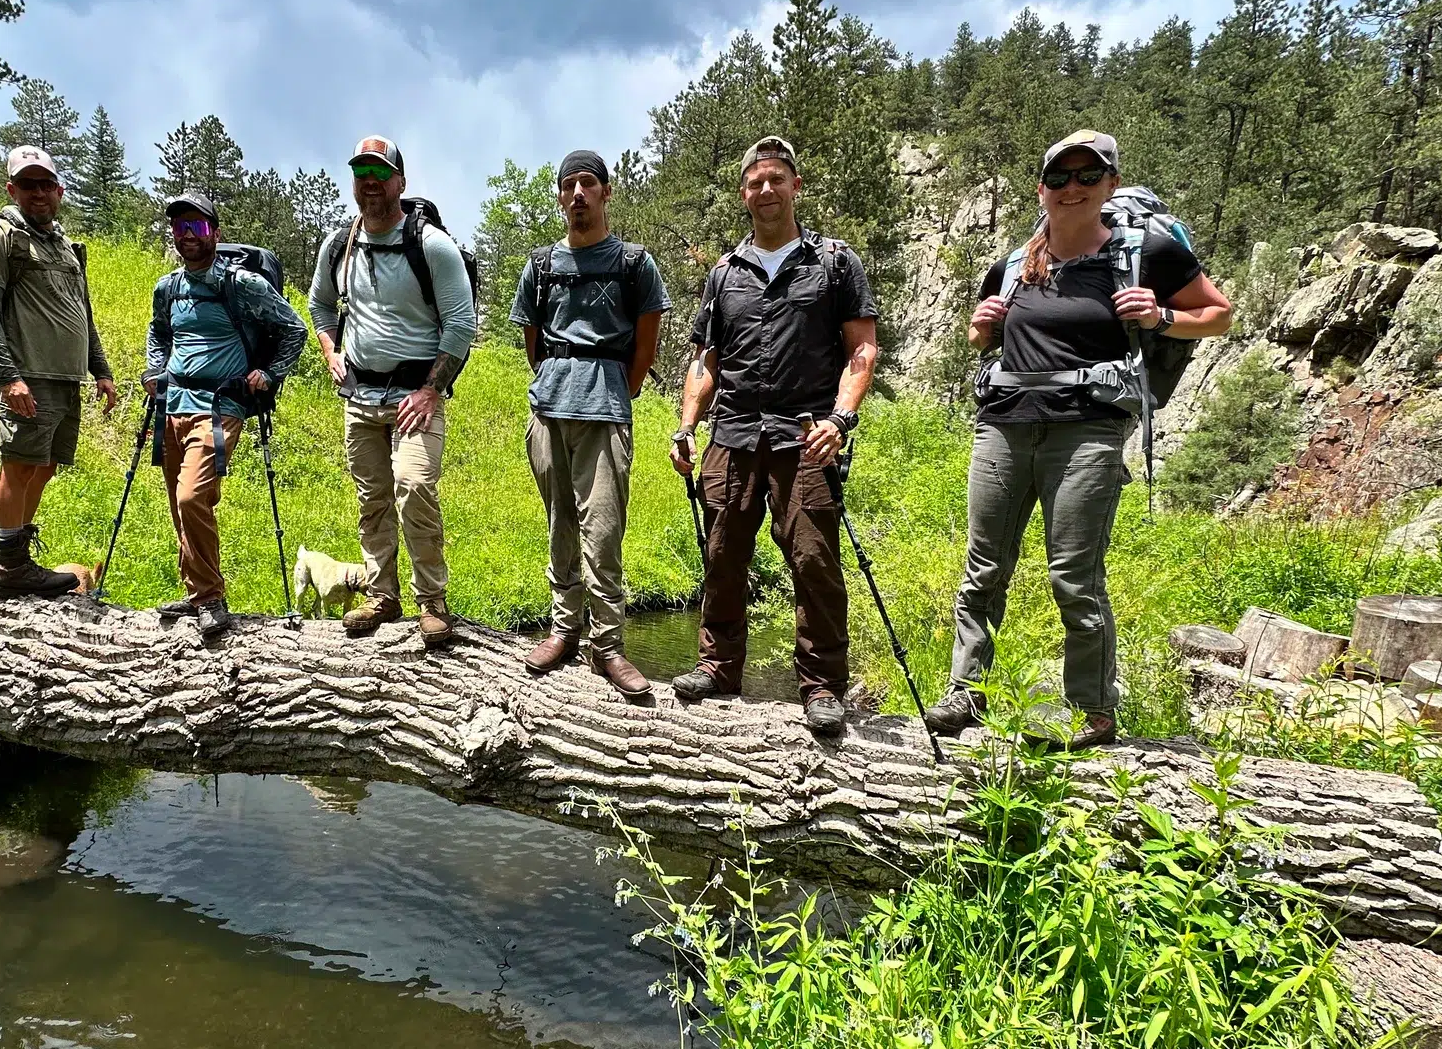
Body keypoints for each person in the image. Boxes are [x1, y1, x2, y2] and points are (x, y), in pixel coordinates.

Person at [925, 130, 1232, 747]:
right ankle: (966, 692)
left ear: (1110, 185)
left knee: (1074, 574)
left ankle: (1092, 710)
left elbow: (1218, 314)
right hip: (1004, 423)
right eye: (1060, 177)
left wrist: (1162, 317)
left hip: (1088, 431)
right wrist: (979, 328)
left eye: (1088, 176)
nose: (1073, 188)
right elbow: (982, 338)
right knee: (983, 567)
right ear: (1041, 188)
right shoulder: (1015, 263)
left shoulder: (1146, 253)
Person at [669, 136, 880, 736]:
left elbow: (862, 349)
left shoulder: (834, 262)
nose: (766, 189)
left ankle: (822, 687)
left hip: (806, 435)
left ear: (795, 186)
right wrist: (686, 426)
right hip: (732, 433)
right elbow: (705, 361)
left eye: (776, 179)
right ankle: (717, 668)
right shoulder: (723, 274)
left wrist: (840, 419)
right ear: (744, 193)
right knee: (721, 556)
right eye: (755, 181)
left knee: (814, 561)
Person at [308, 136, 477, 650]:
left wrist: (431, 390)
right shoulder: (338, 246)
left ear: (400, 182)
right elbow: (319, 306)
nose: (371, 183)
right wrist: (331, 352)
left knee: (415, 487)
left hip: (415, 397)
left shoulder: (432, 246)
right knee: (372, 499)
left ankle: (433, 601)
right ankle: (382, 595)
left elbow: (461, 324)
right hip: (360, 399)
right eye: (362, 173)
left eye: (381, 173)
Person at [511, 149, 669, 696]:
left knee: (602, 531)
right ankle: (564, 630)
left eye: (588, 183)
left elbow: (645, 346)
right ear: (560, 196)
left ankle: (608, 645)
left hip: (605, 410)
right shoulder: (541, 266)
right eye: (569, 185)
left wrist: (617, 389)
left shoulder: (634, 264)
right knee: (560, 524)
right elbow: (534, 344)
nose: (578, 193)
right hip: (549, 409)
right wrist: (557, 380)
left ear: (605, 192)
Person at [142, 192, 305, 637]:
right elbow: (159, 333)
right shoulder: (167, 288)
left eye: (196, 226)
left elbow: (294, 329)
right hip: (172, 405)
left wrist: (269, 374)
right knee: (178, 505)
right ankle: (197, 590)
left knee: (192, 497)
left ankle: (210, 597)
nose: (187, 235)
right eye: (180, 227)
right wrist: (154, 370)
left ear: (214, 231)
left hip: (219, 407)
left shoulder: (241, 284)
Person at [0, 145, 120, 598]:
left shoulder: (65, 246)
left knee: (45, 467)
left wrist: (100, 368)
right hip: (28, 375)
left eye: (46, 184)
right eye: (27, 184)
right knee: (17, 466)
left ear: (59, 190)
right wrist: (7, 376)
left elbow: (82, 312)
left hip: (65, 378)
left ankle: (8, 555)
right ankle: (13, 566)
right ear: (11, 189)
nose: (38, 192)